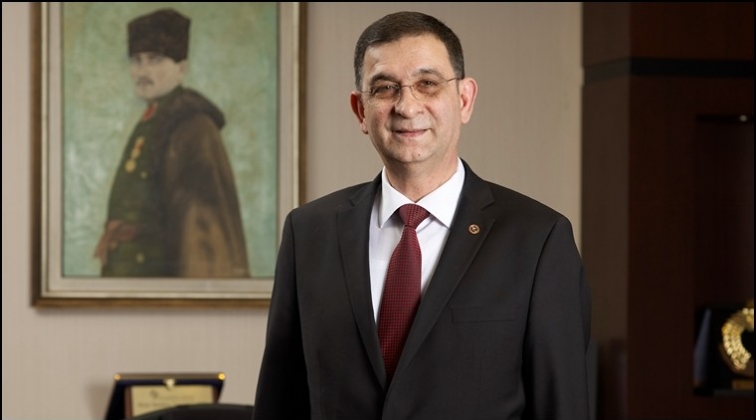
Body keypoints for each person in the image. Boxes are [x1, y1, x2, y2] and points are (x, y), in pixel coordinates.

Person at [254, 11, 591, 420]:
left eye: (427, 83)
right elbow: (280, 402)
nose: (407, 106)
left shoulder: (537, 239)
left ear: (464, 99)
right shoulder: (308, 233)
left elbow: (562, 406)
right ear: (360, 110)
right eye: (385, 88)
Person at [93, 8, 249, 278]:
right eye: (136, 60)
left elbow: (202, 230)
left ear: (181, 68)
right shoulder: (155, 120)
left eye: (155, 60)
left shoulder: (192, 126)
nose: (142, 70)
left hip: (163, 283)